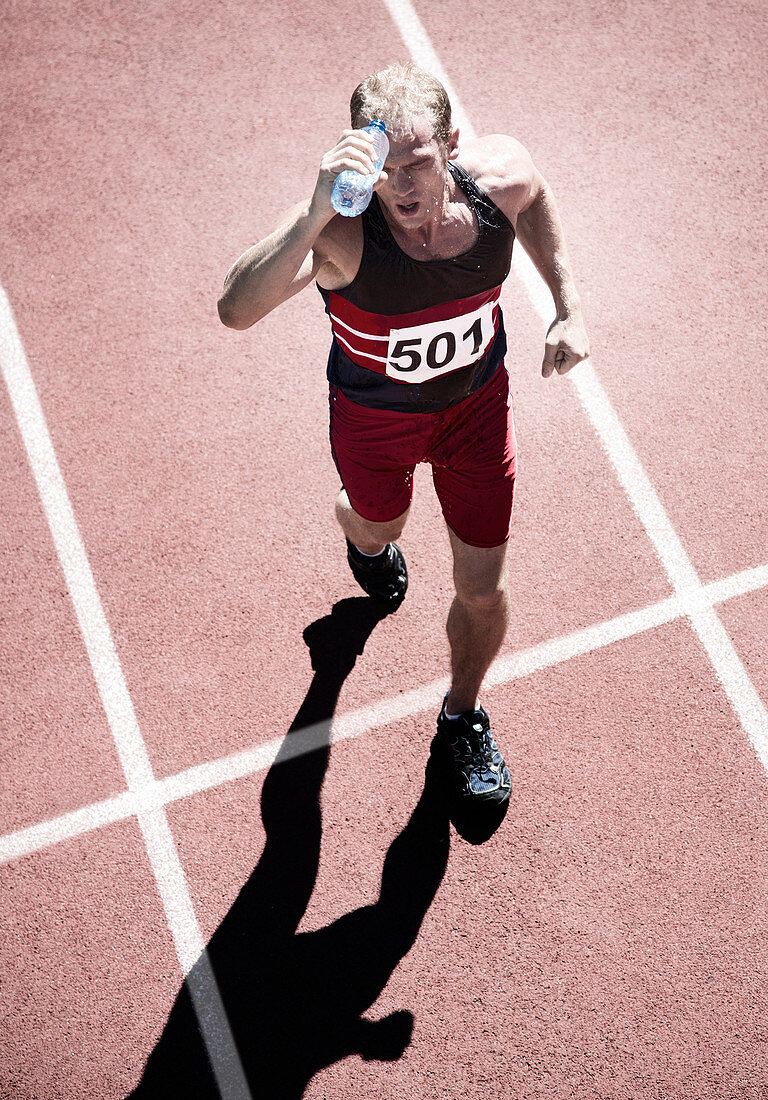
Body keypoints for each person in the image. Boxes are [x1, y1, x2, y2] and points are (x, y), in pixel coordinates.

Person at [218, 62, 589, 836]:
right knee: (378, 529)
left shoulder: (501, 179)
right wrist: (313, 212)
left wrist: (568, 306)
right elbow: (235, 309)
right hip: (374, 424)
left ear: (453, 145)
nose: (400, 185)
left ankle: (462, 717)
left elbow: (539, 198)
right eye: (381, 167)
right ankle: (362, 531)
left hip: (478, 414)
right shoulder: (345, 234)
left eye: (416, 163)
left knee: (482, 588)